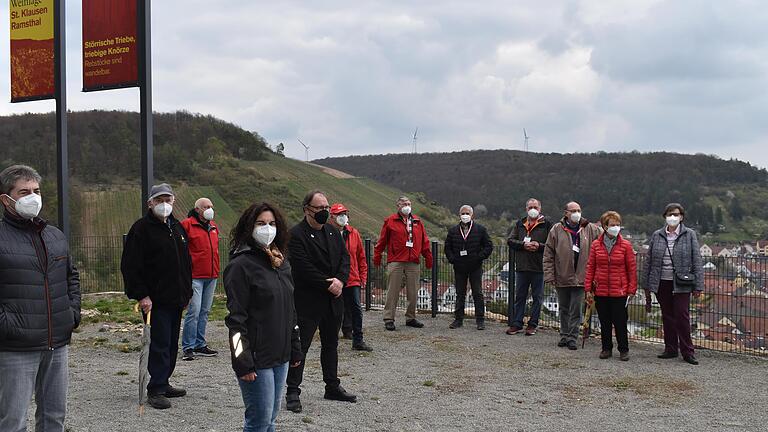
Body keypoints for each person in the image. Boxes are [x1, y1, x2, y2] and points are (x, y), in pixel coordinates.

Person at [0, 165, 81, 432]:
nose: (32, 197)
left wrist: (72, 314)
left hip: (57, 343)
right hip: (15, 345)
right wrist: (7, 325)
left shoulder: (54, 235)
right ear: (6, 199)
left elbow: (71, 276)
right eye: (23, 192)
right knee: (13, 420)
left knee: (54, 417)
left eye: (35, 191)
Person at [224, 202, 303, 432]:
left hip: (281, 356)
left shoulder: (281, 263)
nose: (267, 228)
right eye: (260, 223)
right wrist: (242, 361)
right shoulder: (240, 266)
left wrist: (295, 346)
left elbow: (290, 310)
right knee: (258, 422)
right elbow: (236, 321)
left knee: (270, 421)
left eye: (271, 223)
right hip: (257, 359)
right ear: (249, 227)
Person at [122, 183, 192, 410]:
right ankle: (155, 389)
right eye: (159, 200)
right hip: (155, 300)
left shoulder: (177, 228)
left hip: (176, 297)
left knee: (171, 343)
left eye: (168, 200)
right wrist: (142, 295)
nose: (164, 204)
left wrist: (187, 292)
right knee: (159, 343)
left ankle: (164, 380)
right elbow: (131, 266)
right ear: (150, 203)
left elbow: (185, 263)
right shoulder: (141, 229)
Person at [285, 190, 356, 413]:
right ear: (307, 210)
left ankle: (332, 386)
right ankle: (292, 391)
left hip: (333, 300)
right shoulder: (296, 235)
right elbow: (302, 268)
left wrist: (341, 281)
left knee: (331, 345)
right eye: (320, 208)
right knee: (300, 347)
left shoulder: (333, 232)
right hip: (308, 301)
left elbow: (345, 259)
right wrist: (329, 283)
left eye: (327, 207)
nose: (325, 211)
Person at [642, 203, 704, 365]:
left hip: (682, 282)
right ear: (665, 217)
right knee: (667, 316)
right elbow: (649, 261)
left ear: (682, 217)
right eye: (670, 214)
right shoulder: (657, 235)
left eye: (676, 214)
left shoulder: (689, 234)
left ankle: (687, 351)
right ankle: (670, 348)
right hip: (662, 281)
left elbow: (697, 260)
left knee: (682, 316)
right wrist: (646, 283)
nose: (673, 217)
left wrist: (698, 285)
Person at [543, 201, 601, 350]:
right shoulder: (556, 229)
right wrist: (549, 275)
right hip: (562, 276)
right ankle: (563, 334)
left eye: (579, 210)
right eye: (573, 210)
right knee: (563, 308)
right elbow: (548, 253)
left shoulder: (590, 229)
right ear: (566, 213)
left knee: (576, 309)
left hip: (582, 278)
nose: (576, 213)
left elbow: (602, 241)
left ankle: (572, 337)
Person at [374, 196, 433, 331]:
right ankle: (389, 318)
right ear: (398, 206)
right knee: (393, 291)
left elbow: (425, 242)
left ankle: (410, 317)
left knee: (413, 291)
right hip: (396, 261)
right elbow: (382, 241)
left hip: (413, 261)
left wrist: (428, 258)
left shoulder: (417, 221)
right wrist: (377, 257)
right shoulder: (390, 221)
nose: (407, 205)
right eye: (404, 204)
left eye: (409, 203)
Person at [584, 211, 637, 361]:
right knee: (604, 321)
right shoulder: (596, 245)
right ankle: (606, 348)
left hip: (619, 291)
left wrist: (631, 289)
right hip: (600, 290)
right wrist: (588, 288)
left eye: (618, 224)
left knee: (620, 322)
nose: (616, 227)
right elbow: (591, 267)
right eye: (612, 225)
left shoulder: (626, 245)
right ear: (605, 226)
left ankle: (623, 349)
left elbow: (631, 269)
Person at [180, 197, 220, 361]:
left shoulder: (213, 226)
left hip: (212, 275)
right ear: (197, 209)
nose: (209, 209)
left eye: (211, 206)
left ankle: (199, 344)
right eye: (206, 206)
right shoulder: (187, 225)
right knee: (194, 311)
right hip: (195, 276)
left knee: (204, 311)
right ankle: (188, 347)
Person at [329, 203, 373, 351]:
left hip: (352, 278)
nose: (342, 217)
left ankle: (358, 340)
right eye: (339, 214)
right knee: (335, 311)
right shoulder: (326, 232)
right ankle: (331, 341)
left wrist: (363, 277)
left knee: (356, 309)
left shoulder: (354, 233)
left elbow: (361, 257)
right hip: (334, 279)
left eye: (345, 214)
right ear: (332, 217)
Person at [506, 198, 554, 336]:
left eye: (535, 207)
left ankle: (533, 325)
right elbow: (510, 240)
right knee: (520, 297)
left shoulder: (547, 225)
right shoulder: (520, 224)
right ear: (526, 209)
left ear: (540, 209)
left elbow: (552, 244)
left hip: (539, 268)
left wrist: (539, 246)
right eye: (530, 207)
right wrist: (523, 245)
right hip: (521, 267)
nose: (533, 209)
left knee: (537, 298)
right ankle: (517, 324)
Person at [444, 205, 493, 330]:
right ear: (459, 215)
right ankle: (458, 320)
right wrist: (452, 259)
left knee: (477, 293)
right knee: (460, 293)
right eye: (463, 213)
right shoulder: (453, 231)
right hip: (459, 267)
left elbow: (488, 245)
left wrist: (479, 257)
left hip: (475, 267)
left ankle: (480, 321)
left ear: (472, 215)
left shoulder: (480, 230)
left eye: (467, 213)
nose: (465, 215)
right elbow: (447, 247)